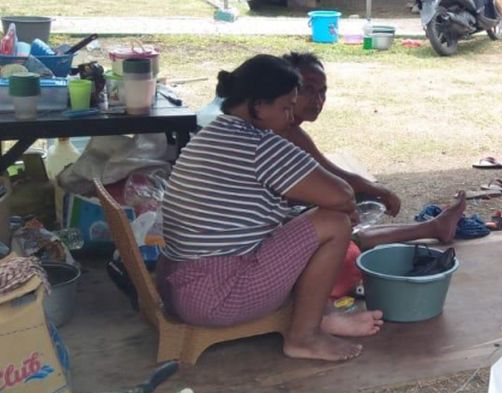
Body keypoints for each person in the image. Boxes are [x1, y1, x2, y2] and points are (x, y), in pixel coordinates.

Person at [158, 55, 380, 362]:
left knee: (308, 219)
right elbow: (341, 195)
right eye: (286, 107)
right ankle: (304, 337)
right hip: (219, 295)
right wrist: (343, 208)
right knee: (334, 223)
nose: (291, 117)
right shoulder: (258, 143)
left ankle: (322, 317)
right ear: (259, 105)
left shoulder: (213, 132)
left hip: (179, 285)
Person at [280, 51, 468, 248]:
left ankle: (435, 226)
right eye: (308, 89)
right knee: (341, 227)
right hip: (265, 244)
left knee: (348, 210)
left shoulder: (293, 131)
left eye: (322, 91)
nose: (317, 100)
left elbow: (327, 172)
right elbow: (329, 181)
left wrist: (372, 190)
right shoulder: (275, 132)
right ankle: (434, 227)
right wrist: (377, 192)